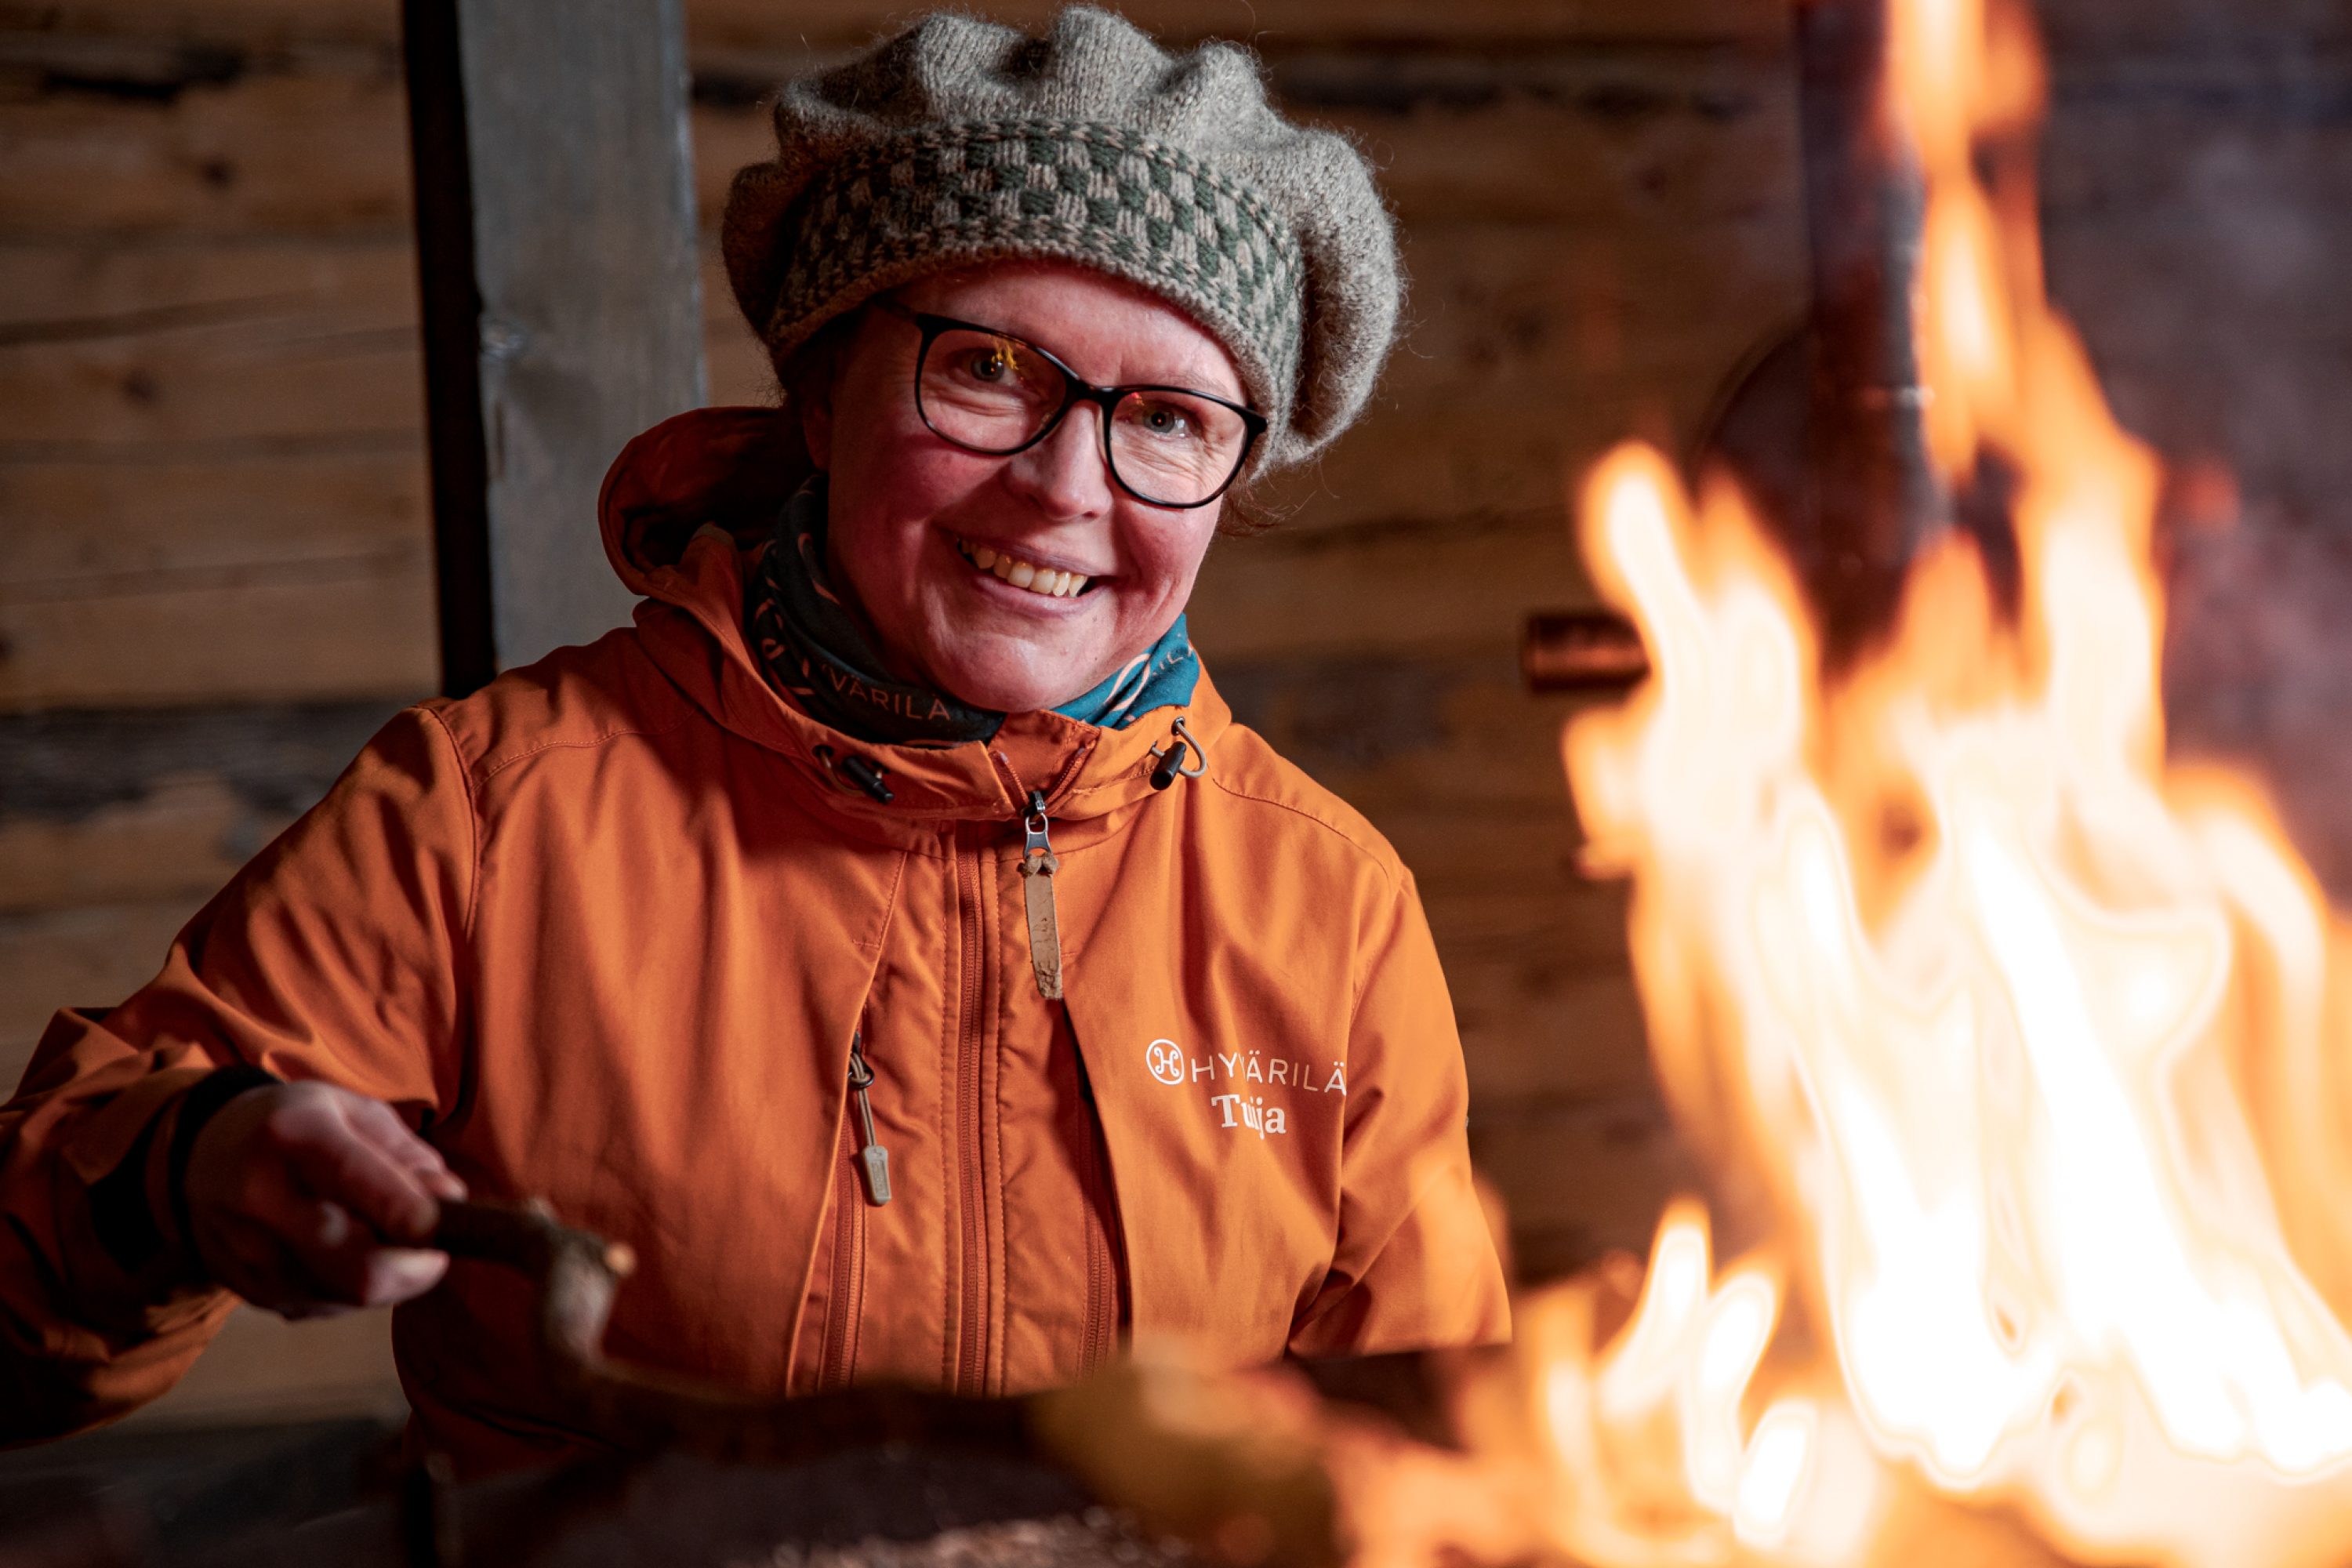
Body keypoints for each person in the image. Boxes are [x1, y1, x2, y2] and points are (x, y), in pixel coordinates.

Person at [0, 6, 1508, 1473]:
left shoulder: (1329, 908)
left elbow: (1452, 1476)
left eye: (1169, 418)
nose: (1067, 487)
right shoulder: (489, 815)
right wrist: (179, 1175)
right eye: (988, 368)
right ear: (820, 385)